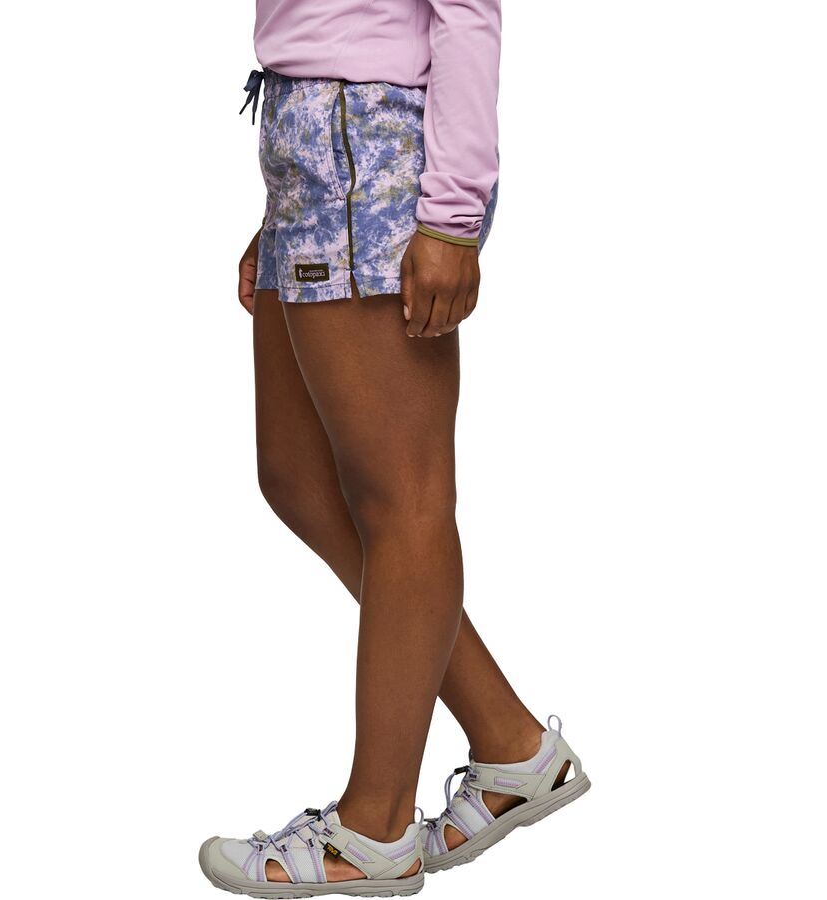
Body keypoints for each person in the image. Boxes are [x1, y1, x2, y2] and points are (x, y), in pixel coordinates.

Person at [198, 2, 589, 895]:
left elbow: (467, 14)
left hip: (365, 144)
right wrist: (289, 207)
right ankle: (511, 745)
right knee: (295, 477)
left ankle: (374, 831)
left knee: (405, 502)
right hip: (312, 147)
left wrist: (450, 216)